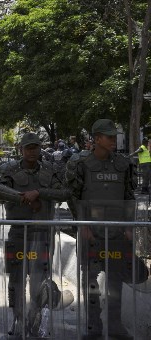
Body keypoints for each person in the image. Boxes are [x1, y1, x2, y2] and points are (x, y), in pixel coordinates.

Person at [65, 119, 147, 339]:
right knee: (91, 281)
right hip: (91, 232)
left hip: (117, 232)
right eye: (109, 137)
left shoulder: (122, 164)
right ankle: (93, 326)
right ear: (97, 138)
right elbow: (73, 196)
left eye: (114, 136)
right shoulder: (80, 163)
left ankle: (115, 324)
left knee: (116, 280)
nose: (113, 140)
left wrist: (129, 227)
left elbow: (129, 197)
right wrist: (81, 225)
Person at [0, 132, 73, 338]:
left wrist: (39, 193)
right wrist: (22, 198)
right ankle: (17, 318)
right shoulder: (9, 168)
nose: (32, 151)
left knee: (40, 280)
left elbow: (65, 192)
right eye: (28, 148)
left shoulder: (50, 169)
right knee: (16, 279)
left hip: (43, 232)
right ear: (21, 149)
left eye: (35, 147)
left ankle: (35, 320)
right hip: (18, 231)